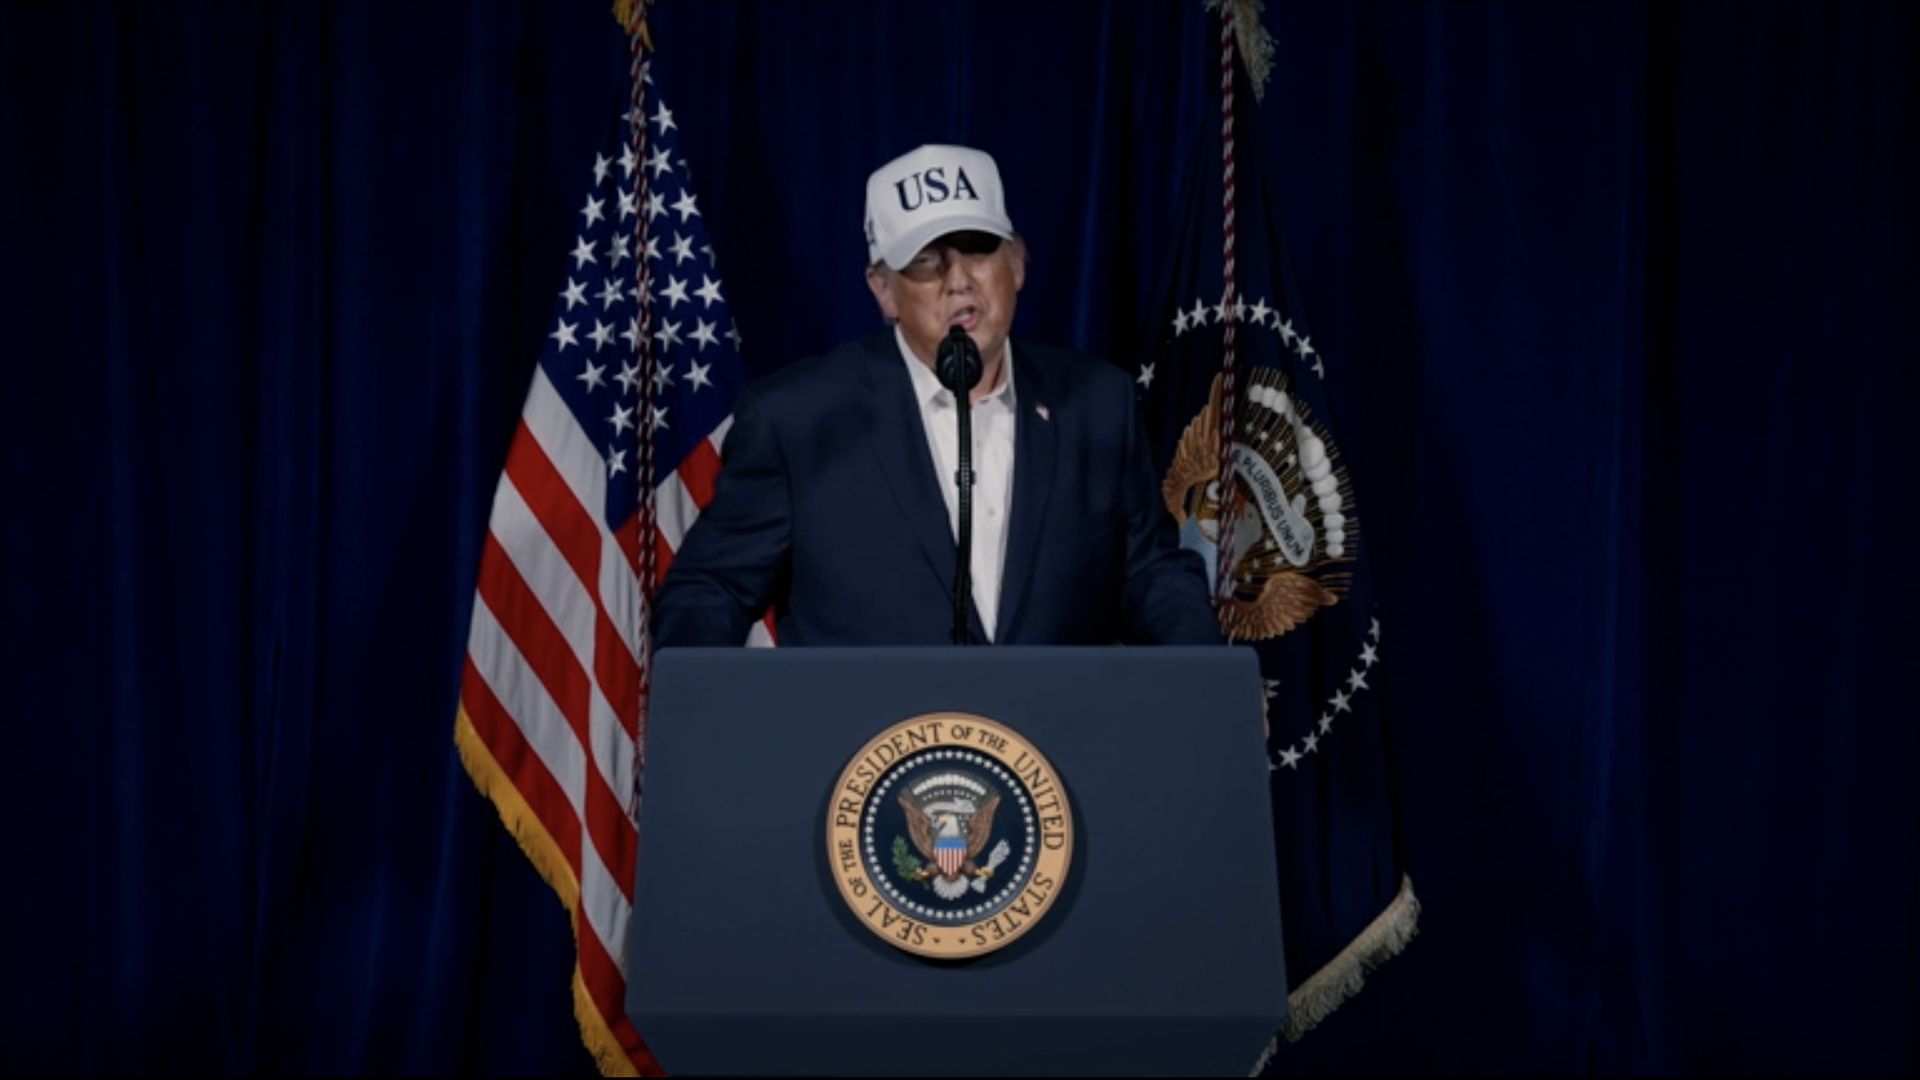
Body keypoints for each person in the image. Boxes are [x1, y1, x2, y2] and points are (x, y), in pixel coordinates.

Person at [653, 144, 1220, 647]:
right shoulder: (797, 418)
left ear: (1018, 263)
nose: (957, 281)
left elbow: (1150, 573)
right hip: (865, 757)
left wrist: (1209, 678)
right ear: (884, 291)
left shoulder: (1098, 403)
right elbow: (712, 588)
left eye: (977, 249)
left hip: (1053, 754)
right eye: (925, 262)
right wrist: (701, 710)